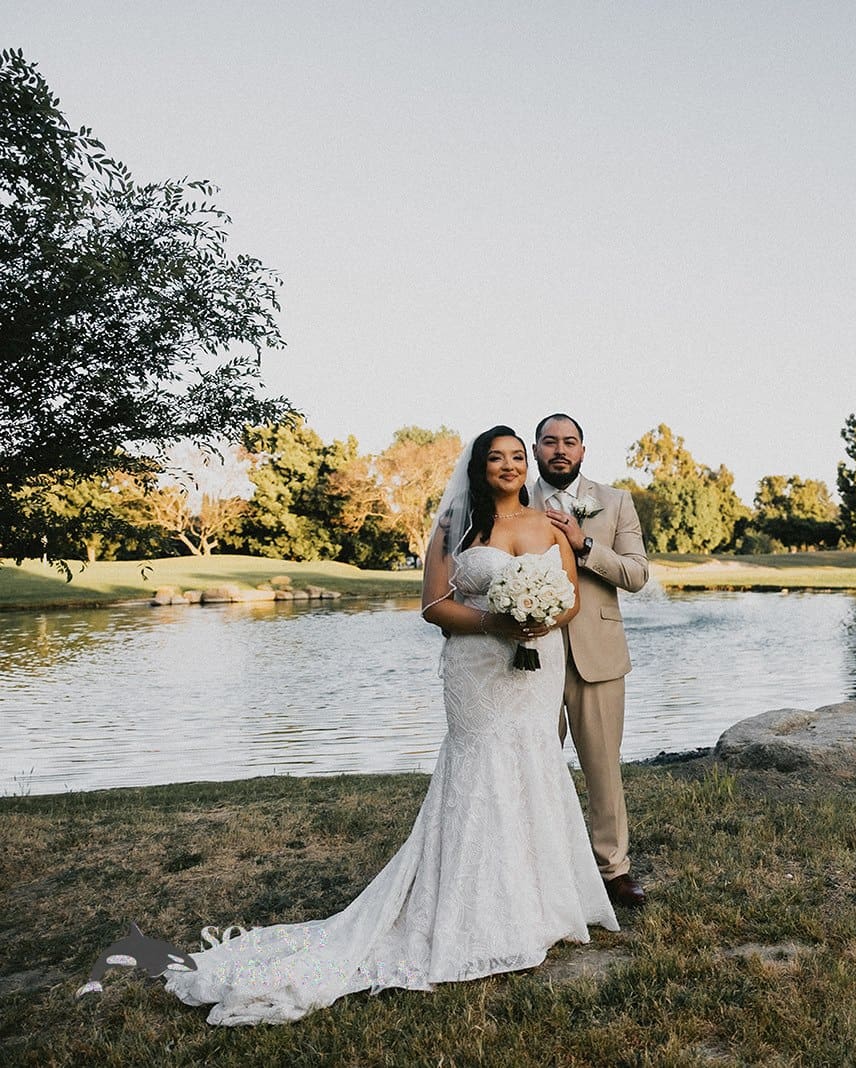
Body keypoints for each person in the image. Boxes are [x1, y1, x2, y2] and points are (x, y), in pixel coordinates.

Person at [165, 425, 617, 1026]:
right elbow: (433, 605)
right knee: (480, 770)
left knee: (533, 763)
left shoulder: (548, 524)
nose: (509, 466)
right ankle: (470, 909)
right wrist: (496, 623)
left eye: (516, 457)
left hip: (537, 668)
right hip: (477, 668)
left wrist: (536, 620)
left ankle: (541, 905)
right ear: (480, 466)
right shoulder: (455, 526)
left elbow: (571, 600)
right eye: (496, 457)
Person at [531, 413, 651, 908]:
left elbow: (637, 574)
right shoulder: (514, 500)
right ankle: (538, 866)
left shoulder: (615, 502)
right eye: (550, 441)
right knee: (531, 765)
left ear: (583, 450)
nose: (560, 449)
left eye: (570, 442)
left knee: (602, 768)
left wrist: (584, 545)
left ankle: (613, 869)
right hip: (529, 656)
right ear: (535, 449)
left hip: (597, 656)